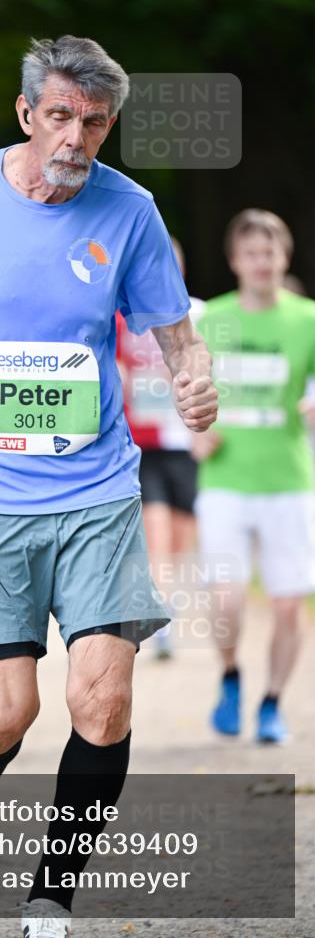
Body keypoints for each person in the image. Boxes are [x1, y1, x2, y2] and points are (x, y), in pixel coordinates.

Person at [0, 36, 217, 937]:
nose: (75, 137)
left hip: (95, 491)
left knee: (100, 702)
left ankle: (50, 899)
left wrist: (193, 375)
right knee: (3, 712)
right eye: (59, 116)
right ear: (26, 114)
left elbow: (175, 329)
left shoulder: (128, 209)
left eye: (95, 122)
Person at [194, 209, 315, 745]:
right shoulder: (209, 319)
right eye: (251, 253)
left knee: (289, 602)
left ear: (284, 257)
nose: (261, 262)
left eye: (270, 252)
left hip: (289, 480)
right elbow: (181, 390)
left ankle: (271, 704)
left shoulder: (307, 318)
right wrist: (194, 432)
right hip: (224, 479)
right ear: (234, 260)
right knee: (227, 598)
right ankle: (230, 679)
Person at [116, 238, 204, 659]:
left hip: (184, 443)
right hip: (142, 442)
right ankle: (161, 618)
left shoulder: (199, 315)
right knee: (157, 532)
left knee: (183, 538)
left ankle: (161, 594)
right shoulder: (120, 318)